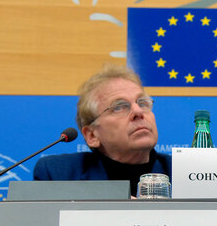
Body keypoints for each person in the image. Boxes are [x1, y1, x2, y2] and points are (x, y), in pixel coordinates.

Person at [33, 64, 170, 196]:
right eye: (119, 107)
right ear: (92, 135)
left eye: (142, 102)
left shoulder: (183, 172)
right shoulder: (59, 176)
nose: (138, 111)